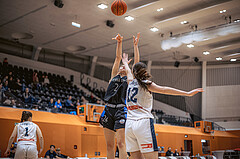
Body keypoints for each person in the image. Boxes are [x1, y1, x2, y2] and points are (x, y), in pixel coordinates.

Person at [121, 53, 203, 159]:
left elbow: (128, 71)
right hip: (143, 123)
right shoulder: (146, 83)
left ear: (134, 72)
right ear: (144, 71)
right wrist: (187, 93)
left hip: (129, 125)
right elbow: (165, 89)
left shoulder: (130, 82)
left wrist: (125, 63)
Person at [99, 33, 140, 159]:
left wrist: (135, 46)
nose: (122, 66)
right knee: (109, 145)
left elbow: (137, 63)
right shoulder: (113, 76)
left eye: (125, 66)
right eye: (122, 65)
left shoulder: (130, 79)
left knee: (121, 144)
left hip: (121, 110)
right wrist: (119, 42)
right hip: (108, 109)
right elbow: (117, 58)